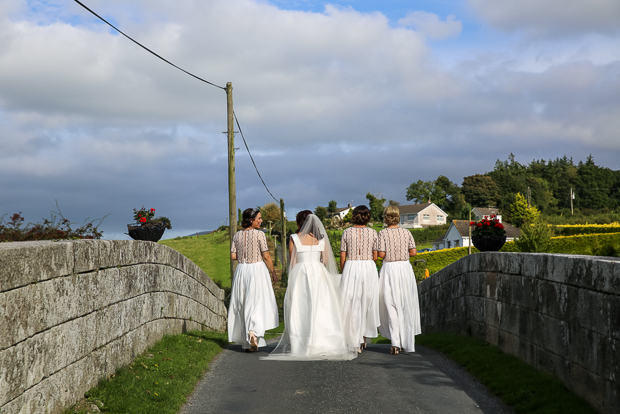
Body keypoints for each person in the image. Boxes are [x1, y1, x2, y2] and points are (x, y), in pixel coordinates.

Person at [262, 211, 358, 361]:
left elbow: (292, 262)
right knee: (322, 306)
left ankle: (301, 342)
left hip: (301, 272)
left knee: (301, 307)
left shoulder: (294, 238)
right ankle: (325, 342)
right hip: (318, 273)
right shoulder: (321, 239)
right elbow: (325, 260)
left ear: (300, 222)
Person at [228, 208, 279, 352]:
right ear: (251, 220)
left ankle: (247, 341)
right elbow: (266, 256)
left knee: (243, 303)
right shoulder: (259, 234)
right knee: (256, 301)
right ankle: (253, 332)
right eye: (259, 218)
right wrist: (273, 272)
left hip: (241, 270)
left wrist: (244, 258)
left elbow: (233, 256)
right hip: (256, 269)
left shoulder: (237, 235)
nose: (261, 221)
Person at [376, 205, 421, 354]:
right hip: (404, 269)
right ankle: (408, 343)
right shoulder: (407, 232)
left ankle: (395, 343)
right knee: (405, 304)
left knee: (391, 306)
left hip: (389, 269)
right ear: (398, 217)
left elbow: (381, 255)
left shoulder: (382, 233)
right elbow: (413, 252)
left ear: (386, 217)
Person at [339, 205, 380, 353]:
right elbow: (375, 256)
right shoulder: (374, 233)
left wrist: (344, 272)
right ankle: (363, 337)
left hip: (351, 266)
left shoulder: (347, 232)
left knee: (353, 303)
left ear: (354, 216)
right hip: (368, 266)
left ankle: (355, 340)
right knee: (367, 302)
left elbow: (342, 256)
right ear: (367, 217)